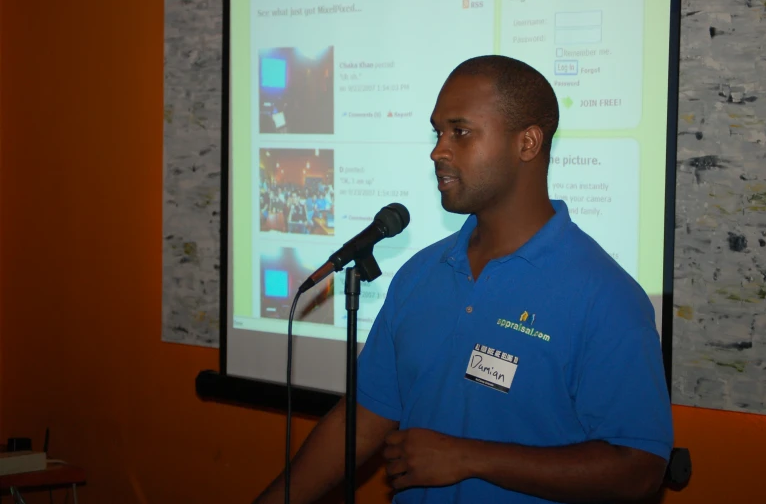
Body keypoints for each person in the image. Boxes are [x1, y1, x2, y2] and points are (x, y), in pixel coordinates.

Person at [253, 55, 674, 504]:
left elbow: (640, 468)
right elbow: (363, 416)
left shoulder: (605, 297)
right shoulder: (420, 274)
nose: (438, 150)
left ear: (527, 143)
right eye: (437, 132)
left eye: (460, 131)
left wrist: (471, 458)